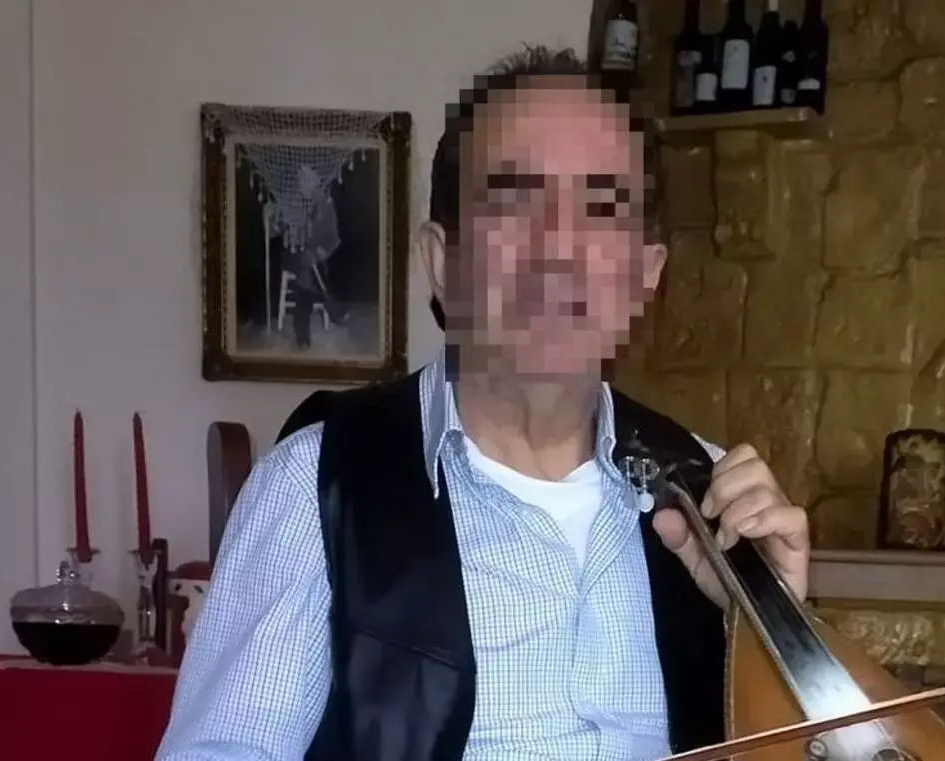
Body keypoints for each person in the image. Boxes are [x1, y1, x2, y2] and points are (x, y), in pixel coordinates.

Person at [155, 45, 810, 761]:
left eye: (602, 207)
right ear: (444, 262)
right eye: (513, 200)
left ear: (644, 274)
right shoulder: (316, 486)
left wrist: (777, 630)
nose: (558, 248)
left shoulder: (707, 492)